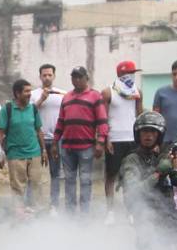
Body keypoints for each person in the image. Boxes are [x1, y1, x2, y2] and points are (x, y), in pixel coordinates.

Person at [119, 110, 177, 250]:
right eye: (145, 131)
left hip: (167, 216)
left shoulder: (161, 158)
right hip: (145, 217)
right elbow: (133, 192)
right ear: (138, 134)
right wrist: (158, 173)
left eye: (153, 132)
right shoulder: (132, 160)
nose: (148, 135)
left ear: (159, 135)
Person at [52, 66, 107, 215]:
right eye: (73, 77)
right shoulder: (67, 97)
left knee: (85, 181)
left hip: (86, 147)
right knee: (69, 181)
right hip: (67, 147)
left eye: (79, 77)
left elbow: (102, 121)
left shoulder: (95, 96)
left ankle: (84, 214)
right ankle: (70, 213)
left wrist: (101, 142)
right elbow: (61, 121)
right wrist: (55, 143)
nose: (76, 80)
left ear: (86, 78)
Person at [102, 60, 144, 225]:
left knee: (131, 177)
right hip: (115, 139)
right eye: (130, 73)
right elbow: (103, 118)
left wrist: (141, 141)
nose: (133, 76)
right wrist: (106, 139)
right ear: (121, 74)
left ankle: (131, 211)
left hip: (132, 140)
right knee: (111, 175)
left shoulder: (137, 92)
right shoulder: (108, 92)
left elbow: (139, 116)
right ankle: (110, 211)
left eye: (134, 73)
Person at [0, 78, 48, 211]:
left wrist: (43, 150)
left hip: (35, 153)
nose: (30, 93)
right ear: (17, 93)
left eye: (30, 91)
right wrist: (0, 153)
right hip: (15, 155)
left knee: (37, 186)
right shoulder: (7, 109)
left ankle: (38, 215)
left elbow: (39, 130)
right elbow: (0, 133)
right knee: (18, 189)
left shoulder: (33, 109)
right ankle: (19, 217)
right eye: (26, 91)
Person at [29, 64, 66, 212]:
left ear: (54, 76)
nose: (47, 77)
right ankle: (33, 205)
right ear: (40, 77)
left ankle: (54, 206)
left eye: (50, 75)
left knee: (55, 173)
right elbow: (29, 113)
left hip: (58, 140)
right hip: (38, 139)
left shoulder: (63, 94)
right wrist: (41, 99)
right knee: (34, 174)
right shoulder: (32, 94)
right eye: (44, 75)